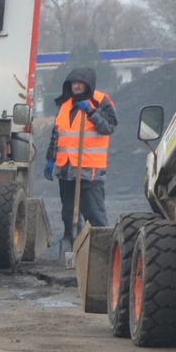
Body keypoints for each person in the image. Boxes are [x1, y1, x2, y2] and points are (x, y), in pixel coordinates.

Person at [43, 68, 117, 258]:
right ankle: (72, 242)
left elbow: (109, 127)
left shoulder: (101, 101)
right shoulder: (65, 105)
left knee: (95, 213)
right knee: (69, 213)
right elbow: (57, 134)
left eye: (80, 82)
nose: (76, 86)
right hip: (66, 169)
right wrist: (50, 158)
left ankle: (104, 252)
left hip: (90, 169)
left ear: (88, 84)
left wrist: (92, 112)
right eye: (73, 82)